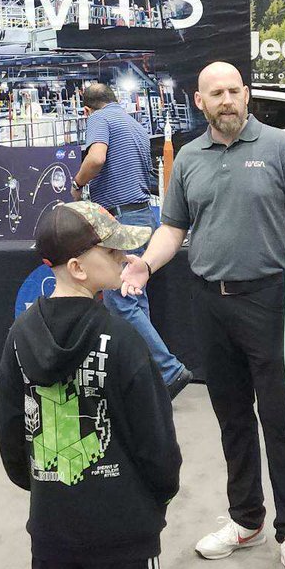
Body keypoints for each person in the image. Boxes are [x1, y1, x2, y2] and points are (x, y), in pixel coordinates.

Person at [121, 61, 285, 569]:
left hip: (271, 301)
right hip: (209, 302)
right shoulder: (189, 158)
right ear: (200, 100)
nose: (227, 99)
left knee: (281, 421)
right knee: (231, 416)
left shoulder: (279, 148)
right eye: (217, 93)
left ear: (247, 94)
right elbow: (173, 227)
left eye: (234, 90)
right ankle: (246, 520)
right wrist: (144, 264)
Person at [0, 201, 181, 569]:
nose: (124, 258)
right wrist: (156, 497)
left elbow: (11, 437)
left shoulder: (19, 337)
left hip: (52, 525)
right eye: (113, 252)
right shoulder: (123, 340)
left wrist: (50, 485)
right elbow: (156, 442)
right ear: (78, 267)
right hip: (123, 530)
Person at [72, 81, 190, 398]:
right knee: (134, 297)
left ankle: (168, 370)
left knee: (120, 301)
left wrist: (77, 182)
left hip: (119, 218)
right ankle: (144, 375)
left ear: (86, 110)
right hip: (141, 214)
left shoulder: (99, 119)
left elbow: (96, 159)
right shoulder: (134, 123)